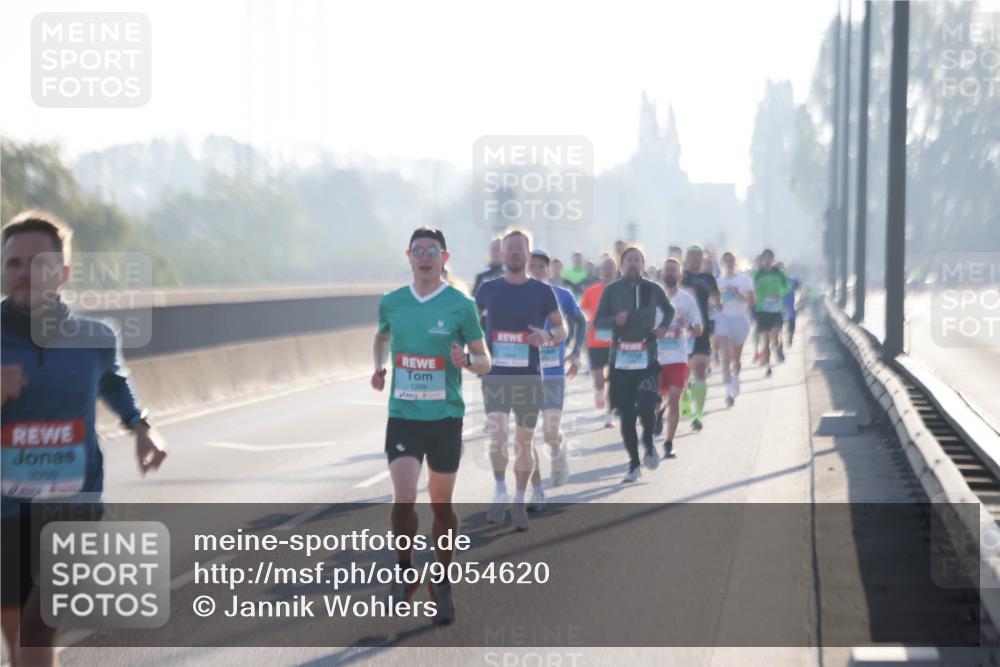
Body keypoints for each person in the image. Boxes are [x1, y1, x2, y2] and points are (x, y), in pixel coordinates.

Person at [1, 211, 168, 666]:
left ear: (63, 273)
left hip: (74, 504)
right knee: (19, 638)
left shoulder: (95, 337)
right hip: (5, 511)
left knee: (38, 628)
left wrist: (141, 427)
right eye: (13, 263)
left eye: (38, 263)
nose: (24, 273)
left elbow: (114, 382)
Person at [372, 226, 491, 625]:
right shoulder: (392, 302)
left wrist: (467, 362)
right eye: (418, 250)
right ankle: (405, 571)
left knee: (442, 507)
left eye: (433, 250)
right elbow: (381, 337)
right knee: (404, 495)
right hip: (403, 417)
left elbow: (485, 359)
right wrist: (379, 365)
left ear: (445, 257)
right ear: (408, 256)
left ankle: (441, 580)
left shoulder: (460, 305)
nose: (425, 256)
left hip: (445, 418)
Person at [475, 230, 565, 531]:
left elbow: (561, 329)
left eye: (519, 249)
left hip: (528, 377)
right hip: (496, 376)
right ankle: (500, 489)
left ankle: (518, 497)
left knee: (523, 442)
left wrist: (547, 336)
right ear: (502, 255)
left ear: (528, 255)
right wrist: (469, 349)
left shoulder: (541, 291)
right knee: (498, 437)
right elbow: (470, 324)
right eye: (509, 248)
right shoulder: (487, 289)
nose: (514, 253)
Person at [594, 246, 674, 483]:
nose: (633, 264)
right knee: (626, 416)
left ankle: (648, 441)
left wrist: (662, 328)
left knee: (648, 407)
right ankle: (633, 464)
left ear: (643, 264)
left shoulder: (652, 288)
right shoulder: (611, 290)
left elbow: (669, 311)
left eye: (638, 260)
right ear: (621, 265)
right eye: (629, 260)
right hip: (620, 359)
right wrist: (614, 320)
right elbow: (598, 322)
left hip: (647, 356)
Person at [526, 250, 586, 510]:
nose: (537, 271)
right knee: (525, 436)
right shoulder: (517, 296)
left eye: (541, 267)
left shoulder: (562, 295)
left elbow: (580, 321)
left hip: (552, 372)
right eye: (533, 267)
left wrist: (574, 353)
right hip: (525, 373)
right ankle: (536, 490)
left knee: (550, 431)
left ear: (549, 271)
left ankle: (558, 450)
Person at [654, 258, 703, 458]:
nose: (670, 274)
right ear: (662, 274)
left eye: (674, 271)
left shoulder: (687, 300)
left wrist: (692, 330)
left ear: (680, 275)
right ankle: (658, 413)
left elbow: (698, 327)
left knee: (675, 399)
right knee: (655, 401)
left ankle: (668, 443)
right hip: (655, 359)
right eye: (667, 271)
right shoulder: (653, 297)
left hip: (678, 358)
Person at [680, 245, 719, 432]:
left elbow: (717, 300)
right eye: (692, 256)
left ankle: (698, 415)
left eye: (699, 256)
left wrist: (717, 303)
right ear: (686, 258)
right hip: (682, 331)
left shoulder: (708, 278)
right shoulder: (681, 277)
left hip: (701, 329)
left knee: (701, 372)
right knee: (684, 375)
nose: (696, 259)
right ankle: (685, 400)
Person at [580, 256, 618, 428]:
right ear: (600, 271)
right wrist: (587, 322)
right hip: (595, 341)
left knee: (615, 379)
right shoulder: (591, 290)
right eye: (605, 267)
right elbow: (584, 312)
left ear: (616, 270)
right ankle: (599, 391)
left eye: (611, 267)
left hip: (615, 341)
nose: (608, 270)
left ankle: (609, 414)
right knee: (598, 380)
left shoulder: (622, 290)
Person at [714, 252, 755, 406]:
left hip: (740, 320)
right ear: (722, 263)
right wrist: (718, 303)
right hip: (723, 319)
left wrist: (737, 293)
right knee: (725, 357)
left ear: (735, 263)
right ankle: (727, 392)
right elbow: (714, 304)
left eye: (732, 260)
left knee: (735, 358)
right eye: (727, 261)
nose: (729, 263)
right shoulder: (718, 282)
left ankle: (735, 378)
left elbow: (751, 302)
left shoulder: (743, 280)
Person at [752, 249, 790, 378]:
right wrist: (756, 295)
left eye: (769, 257)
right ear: (762, 259)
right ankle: (768, 366)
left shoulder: (779, 272)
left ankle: (778, 346)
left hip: (776, 309)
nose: (767, 260)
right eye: (765, 258)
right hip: (762, 310)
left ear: (772, 259)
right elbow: (752, 287)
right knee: (765, 341)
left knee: (775, 335)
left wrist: (778, 294)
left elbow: (786, 287)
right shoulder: (758, 273)